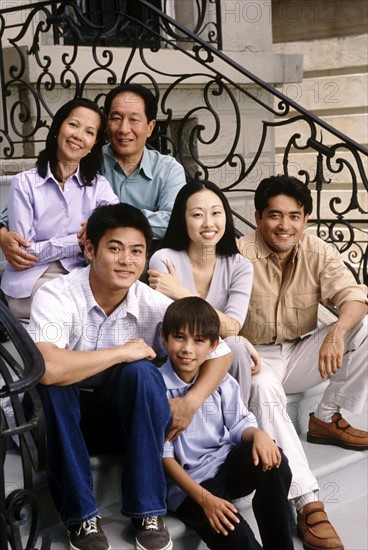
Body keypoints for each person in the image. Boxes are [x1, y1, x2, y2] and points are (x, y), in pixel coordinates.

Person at [27, 203, 232, 550]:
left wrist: (191, 402)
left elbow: (221, 351)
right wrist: (122, 351)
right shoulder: (57, 294)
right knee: (55, 388)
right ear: (90, 250)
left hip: (121, 423)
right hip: (61, 425)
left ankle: (147, 512)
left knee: (141, 374)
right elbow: (48, 368)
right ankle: (82, 520)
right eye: (115, 248)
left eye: (137, 251)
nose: (127, 261)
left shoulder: (153, 303)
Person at [237, 175, 368, 550]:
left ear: (305, 218)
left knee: (364, 326)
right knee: (263, 387)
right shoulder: (238, 254)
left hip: (300, 352)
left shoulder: (317, 250)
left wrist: (337, 331)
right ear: (259, 217)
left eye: (294, 216)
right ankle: (307, 500)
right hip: (256, 359)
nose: (284, 225)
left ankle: (325, 417)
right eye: (275, 215)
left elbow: (354, 296)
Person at [160, 296, 295, 550]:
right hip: (190, 488)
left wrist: (258, 435)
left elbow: (239, 425)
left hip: (224, 465)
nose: (188, 348)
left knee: (275, 460)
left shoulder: (218, 381)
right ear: (165, 339)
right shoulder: (157, 389)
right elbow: (165, 459)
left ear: (213, 346)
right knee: (238, 536)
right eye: (179, 337)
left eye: (199, 340)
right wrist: (206, 500)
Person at [0, 83, 186, 266]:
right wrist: (3, 236)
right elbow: (17, 208)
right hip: (88, 264)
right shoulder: (84, 159)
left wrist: (107, 221)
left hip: (145, 263)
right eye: (116, 118)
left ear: (150, 127)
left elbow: (174, 220)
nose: (123, 129)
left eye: (134, 120)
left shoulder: (168, 170)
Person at [0, 98, 118, 320]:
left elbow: (117, 223)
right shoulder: (24, 183)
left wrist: (99, 229)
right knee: (65, 306)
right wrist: (78, 242)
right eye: (73, 125)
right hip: (32, 281)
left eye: (89, 132)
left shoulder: (98, 186)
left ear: (94, 144)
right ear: (58, 129)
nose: (78, 136)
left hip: (81, 277)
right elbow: (25, 254)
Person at [148, 179, 259, 404]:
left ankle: (239, 424)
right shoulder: (164, 259)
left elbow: (233, 328)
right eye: (197, 215)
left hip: (218, 352)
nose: (209, 223)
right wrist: (229, 333)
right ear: (183, 219)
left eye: (216, 213)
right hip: (177, 354)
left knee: (236, 346)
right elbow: (175, 328)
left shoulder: (240, 265)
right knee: (236, 344)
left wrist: (181, 292)